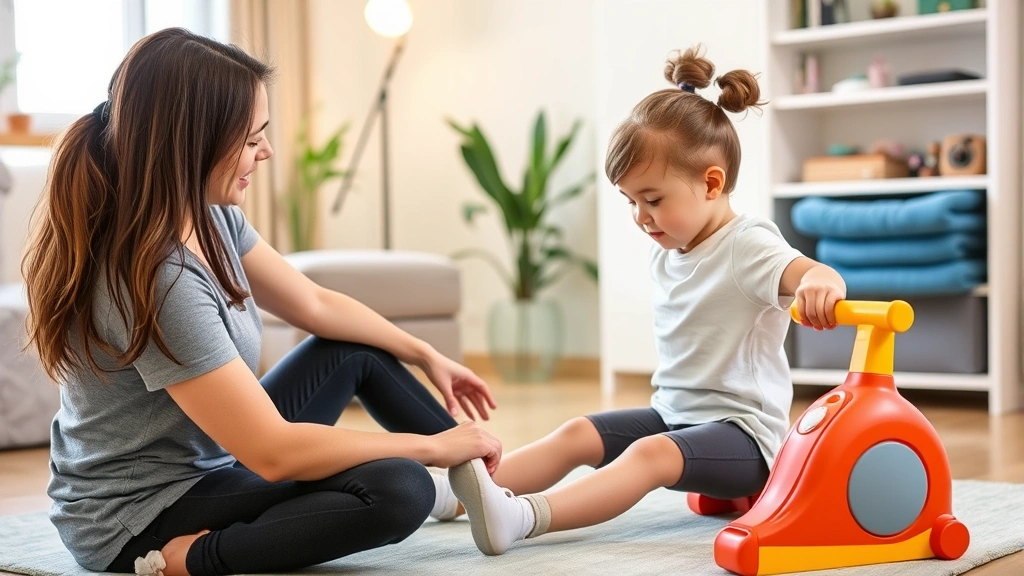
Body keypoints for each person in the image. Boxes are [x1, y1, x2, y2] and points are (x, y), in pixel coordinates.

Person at [21, 27, 501, 576]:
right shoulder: (157, 278)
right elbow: (272, 453)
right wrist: (431, 448)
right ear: (192, 144)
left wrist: (425, 354)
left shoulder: (208, 214)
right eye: (252, 139)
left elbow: (316, 304)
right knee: (400, 487)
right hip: (139, 515)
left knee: (352, 351)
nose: (266, 151)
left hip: (218, 461)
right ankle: (191, 559)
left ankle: (484, 486)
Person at [441, 45, 848, 556]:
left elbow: (812, 271)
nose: (641, 216)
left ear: (711, 183)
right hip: (675, 414)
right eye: (631, 201)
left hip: (744, 439)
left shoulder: (748, 246)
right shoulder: (672, 250)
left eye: (652, 199)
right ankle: (452, 498)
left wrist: (820, 282)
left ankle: (522, 518)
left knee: (649, 455)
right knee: (577, 433)